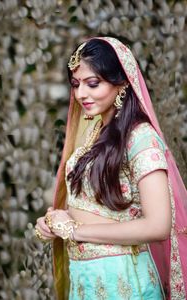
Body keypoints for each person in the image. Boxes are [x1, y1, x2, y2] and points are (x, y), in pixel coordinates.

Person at [35, 37, 187, 300]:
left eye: (92, 83)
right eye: (76, 84)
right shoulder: (96, 132)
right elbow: (92, 205)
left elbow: (158, 225)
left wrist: (74, 231)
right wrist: (55, 222)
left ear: (122, 84)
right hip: (85, 279)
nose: (81, 94)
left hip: (124, 282)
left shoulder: (141, 138)